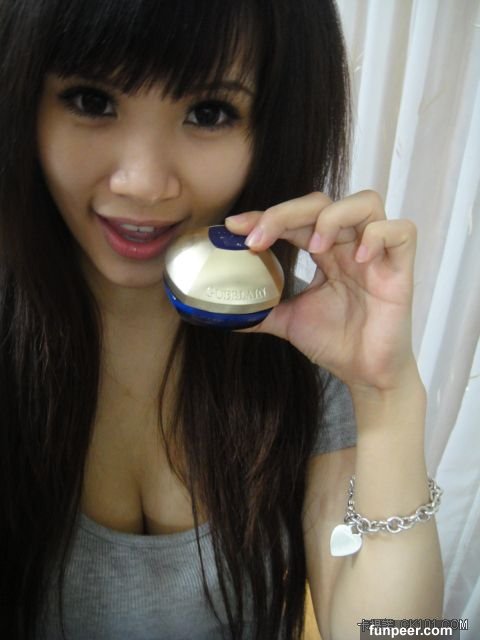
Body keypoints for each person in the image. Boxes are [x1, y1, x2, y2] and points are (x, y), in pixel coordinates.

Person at [0, 0, 444, 638]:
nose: (143, 182)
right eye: (92, 100)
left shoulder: (309, 341)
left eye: (208, 112)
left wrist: (386, 396)